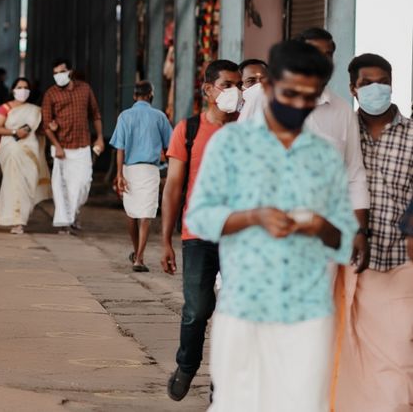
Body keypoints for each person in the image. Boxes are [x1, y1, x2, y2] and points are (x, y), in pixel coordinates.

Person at [185, 40, 357, 411]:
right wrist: (253, 217)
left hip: (307, 312)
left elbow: (343, 238)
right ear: (269, 86)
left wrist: (318, 226)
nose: (298, 104)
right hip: (244, 304)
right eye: (290, 93)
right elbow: (200, 217)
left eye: (308, 97)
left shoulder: (324, 156)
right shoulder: (230, 145)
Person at [332, 53, 413, 410]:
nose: (375, 89)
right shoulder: (340, 134)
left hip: (399, 265)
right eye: (367, 83)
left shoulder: (412, 135)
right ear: (353, 88)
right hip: (345, 265)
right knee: (345, 355)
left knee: (398, 359)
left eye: (382, 81)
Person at [159, 58, 242, 401]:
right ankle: (187, 365)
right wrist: (165, 239)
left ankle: (221, 384)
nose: (235, 92)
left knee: (233, 316)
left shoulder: (250, 129)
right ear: (208, 90)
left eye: (239, 84)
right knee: (197, 310)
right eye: (227, 84)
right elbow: (174, 186)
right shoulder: (188, 129)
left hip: (240, 237)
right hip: (197, 236)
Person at [295, 28, 371, 271]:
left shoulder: (342, 112)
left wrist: (360, 231)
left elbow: (354, 175)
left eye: (328, 55)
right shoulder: (263, 100)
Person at [110, 81, 172, 272]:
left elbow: (119, 148)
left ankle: (137, 252)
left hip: (129, 169)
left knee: (131, 214)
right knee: (146, 215)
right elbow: (169, 146)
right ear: (151, 95)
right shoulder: (159, 117)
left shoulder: (125, 116)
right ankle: (139, 258)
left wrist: (119, 174)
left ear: (135, 96)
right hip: (150, 170)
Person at [40, 58, 105, 232]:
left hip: (83, 145)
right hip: (61, 147)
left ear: (70, 71)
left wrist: (99, 138)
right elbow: (46, 125)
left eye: (61, 71)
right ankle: (65, 222)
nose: (58, 76)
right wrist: (57, 146)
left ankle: (72, 214)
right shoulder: (50, 94)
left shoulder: (84, 89)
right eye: (55, 73)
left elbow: (95, 114)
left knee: (83, 184)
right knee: (62, 187)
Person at [0, 78, 50, 234]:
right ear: (13, 90)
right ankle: (17, 222)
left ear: (29, 91)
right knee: (15, 184)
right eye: (19, 87)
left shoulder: (35, 110)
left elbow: (41, 131)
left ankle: (21, 218)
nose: (22, 90)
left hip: (30, 151)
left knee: (28, 185)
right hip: (11, 150)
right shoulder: (5, 108)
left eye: (25, 87)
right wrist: (15, 132)